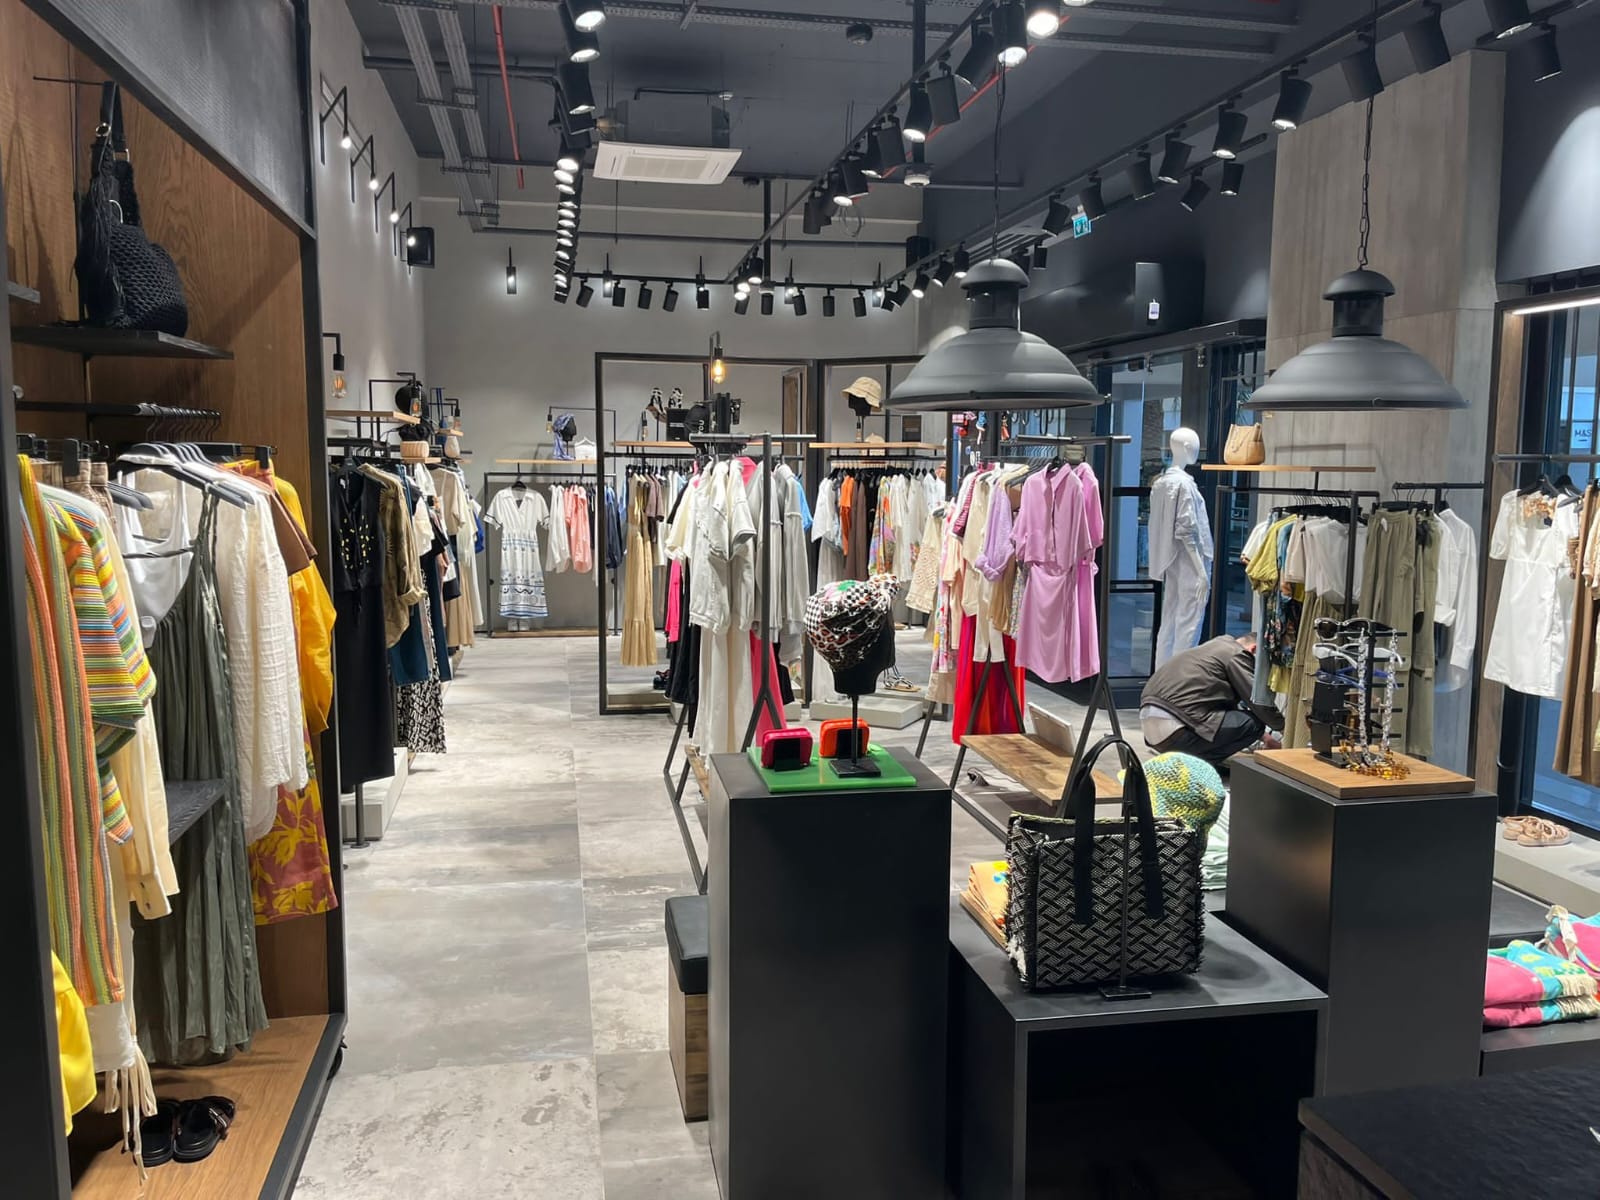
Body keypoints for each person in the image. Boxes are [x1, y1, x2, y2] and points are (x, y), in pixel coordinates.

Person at [1139, 634, 1282, 767]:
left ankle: (1195, 763)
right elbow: (1258, 702)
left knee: (1237, 720)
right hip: (1178, 730)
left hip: (1153, 733)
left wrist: (1266, 738)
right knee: (1254, 725)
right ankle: (1200, 769)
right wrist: (1284, 729)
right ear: (1254, 649)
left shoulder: (1213, 649)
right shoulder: (1237, 654)